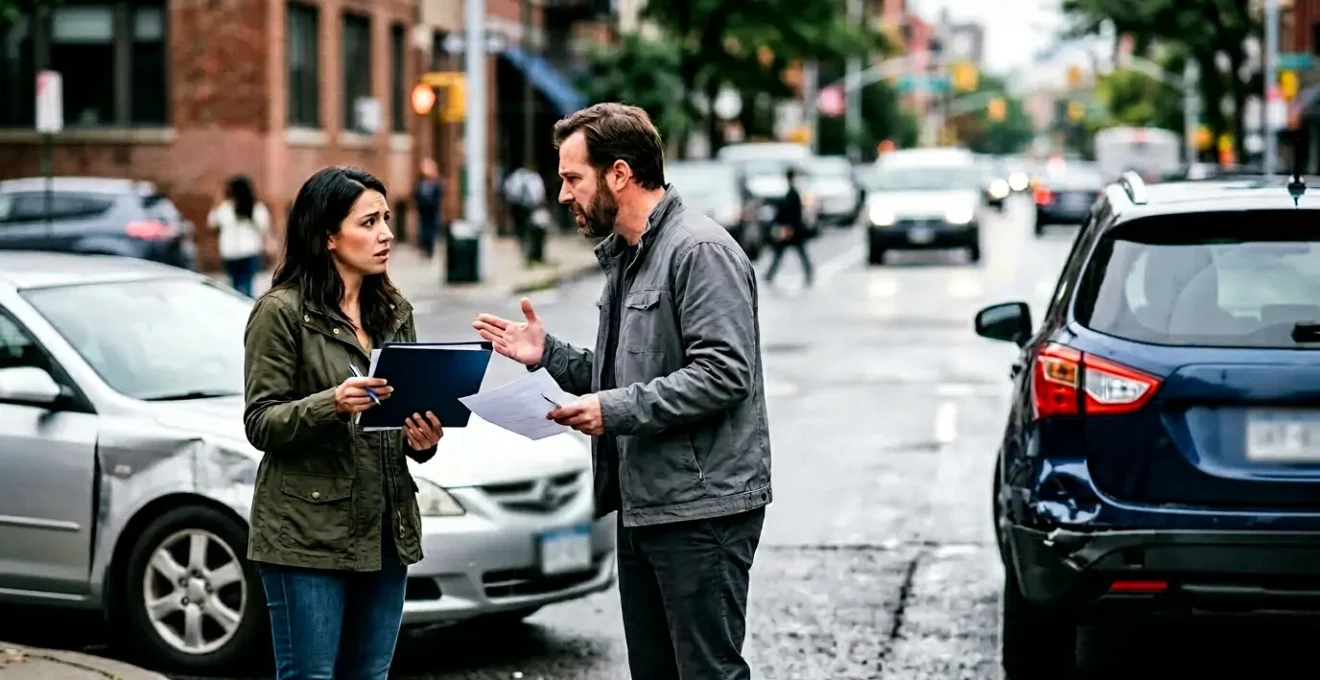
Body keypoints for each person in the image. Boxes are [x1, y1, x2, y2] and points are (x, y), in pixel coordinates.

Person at [473, 103, 772, 680]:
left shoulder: (699, 251)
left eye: (572, 178)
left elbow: (725, 373)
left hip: (701, 509)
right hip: (645, 505)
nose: (562, 194)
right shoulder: (629, 257)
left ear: (618, 174)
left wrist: (610, 410)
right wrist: (547, 354)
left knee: (705, 671)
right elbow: (624, 376)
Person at [243, 166, 444, 680]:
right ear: (329, 236)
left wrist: (422, 440)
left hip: (385, 528)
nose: (386, 234)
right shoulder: (281, 312)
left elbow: (400, 422)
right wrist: (331, 403)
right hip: (306, 534)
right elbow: (261, 422)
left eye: (387, 219)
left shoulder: (394, 311)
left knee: (370, 675)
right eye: (369, 222)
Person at [208, 175, 272, 296]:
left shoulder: (225, 208)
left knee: (234, 286)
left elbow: (212, 223)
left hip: (230, 252)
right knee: (248, 284)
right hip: (250, 251)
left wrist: (217, 202)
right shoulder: (256, 208)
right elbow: (264, 227)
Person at [763, 167, 814, 286]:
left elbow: (793, 213)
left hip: (792, 230)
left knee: (786, 253)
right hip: (791, 229)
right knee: (783, 253)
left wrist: (789, 227)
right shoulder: (791, 192)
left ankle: (770, 275)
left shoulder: (792, 193)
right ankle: (770, 275)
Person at [502, 163, 546, 262]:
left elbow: (508, 191)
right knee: (524, 227)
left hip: (521, 206)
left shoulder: (516, 177)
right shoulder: (533, 178)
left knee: (523, 228)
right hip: (524, 206)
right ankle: (524, 246)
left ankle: (524, 247)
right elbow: (539, 193)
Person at [413, 158, 444, 259]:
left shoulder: (436, 183)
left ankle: (430, 250)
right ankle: (423, 249)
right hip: (423, 211)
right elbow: (416, 195)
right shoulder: (420, 183)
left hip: (432, 211)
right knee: (423, 230)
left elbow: (439, 195)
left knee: (431, 230)